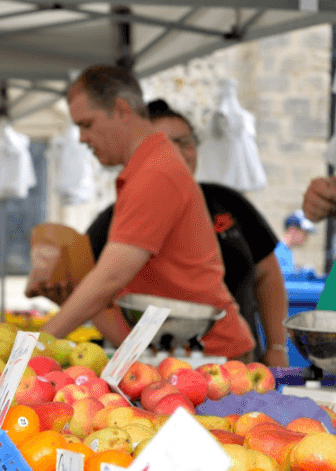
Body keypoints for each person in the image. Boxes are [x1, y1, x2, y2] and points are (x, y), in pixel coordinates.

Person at [35, 65, 255, 360]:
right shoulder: (150, 166)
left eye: (87, 125)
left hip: (210, 356)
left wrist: (34, 347)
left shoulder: (155, 173)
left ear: (122, 110)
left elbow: (110, 279)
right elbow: (116, 286)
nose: (82, 139)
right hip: (182, 351)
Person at [84, 100, 288, 366]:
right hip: (163, 369)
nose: (179, 152)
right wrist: (132, 350)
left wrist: (276, 346)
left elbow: (268, 275)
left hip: (240, 359)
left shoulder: (227, 201)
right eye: (167, 144)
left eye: (185, 142)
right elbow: (95, 291)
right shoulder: (118, 217)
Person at [274, 210, 316, 275]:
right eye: (305, 232)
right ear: (292, 230)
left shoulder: (286, 251)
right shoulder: (279, 252)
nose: (306, 237)